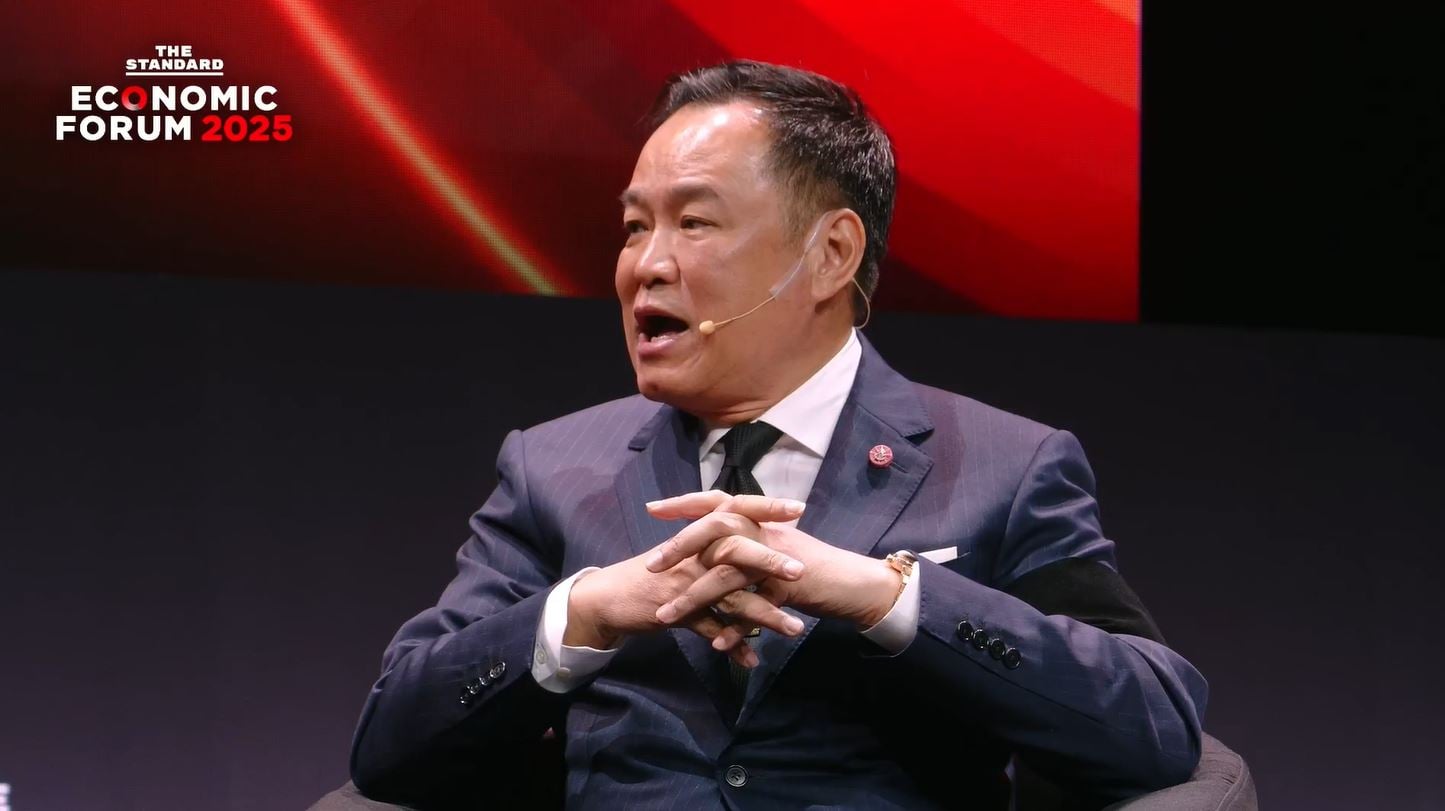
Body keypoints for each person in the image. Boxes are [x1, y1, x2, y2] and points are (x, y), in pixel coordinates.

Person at [347, 60, 1206, 809]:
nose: (645, 264)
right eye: (635, 226)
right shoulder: (554, 466)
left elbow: (1155, 724)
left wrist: (889, 598)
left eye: (694, 222)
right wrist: (589, 610)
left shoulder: (1002, 465)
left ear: (830, 254)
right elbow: (389, 744)